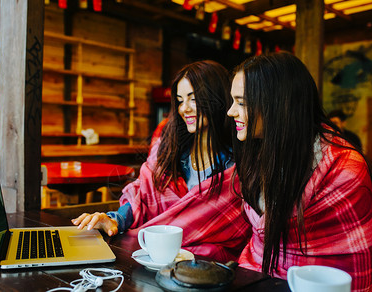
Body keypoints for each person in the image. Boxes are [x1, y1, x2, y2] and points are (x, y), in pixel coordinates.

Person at [72, 60, 251, 262]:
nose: (185, 109)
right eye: (180, 100)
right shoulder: (169, 153)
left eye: (193, 99)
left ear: (217, 98)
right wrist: (114, 219)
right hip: (154, 261)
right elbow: (142, 195)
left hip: (209, 270)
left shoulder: (237, 169)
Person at [227, 52, 372, 291]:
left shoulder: (344, 168)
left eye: (242, 102)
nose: (231, 112)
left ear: (278, 104)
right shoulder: (259, 153)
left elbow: (348, 274)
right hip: (254, 276)